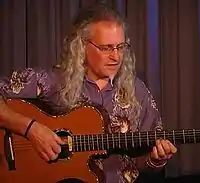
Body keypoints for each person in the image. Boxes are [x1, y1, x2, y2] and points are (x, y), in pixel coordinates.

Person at [0, 3, 177, 183]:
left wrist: (155, 160)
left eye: (121, 47)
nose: (116, 57)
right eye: (106, 48)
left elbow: (140, 162)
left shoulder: (137, 91)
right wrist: (31, 129)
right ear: (82, 46)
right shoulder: (52, 81)